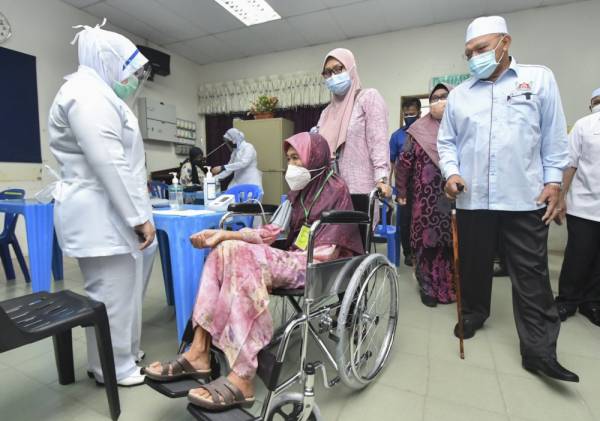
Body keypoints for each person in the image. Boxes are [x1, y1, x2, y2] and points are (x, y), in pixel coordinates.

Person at [144, 132, 363, 411]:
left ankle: (244, 376)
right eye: (289, 159)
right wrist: (224, 235)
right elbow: (272, 231)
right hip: (294, 257)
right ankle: (199, 350)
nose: (291, 166)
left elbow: (328, 249)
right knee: (223, 251)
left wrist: (264, 250)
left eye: (297, 158)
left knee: (244, 256)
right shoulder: (298, 194)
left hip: (319, 263)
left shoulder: (336, 190)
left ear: (316, 159)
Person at [438, 16, 578, 382]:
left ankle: (539, 351)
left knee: (531, 276)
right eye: (468, 53)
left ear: (505, 43)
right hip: (473, 201)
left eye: (481, 49)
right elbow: (447, 142)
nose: (474, 57)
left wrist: (554, 183)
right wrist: (450, 172)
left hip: (524, 199)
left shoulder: (539, 79)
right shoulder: (460, 95)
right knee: (472, 265)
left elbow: (554, 137)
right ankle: (472, 313)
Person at [48, 20, 157, 386]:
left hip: (107, 212)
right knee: (110, 295)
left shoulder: (100, 94)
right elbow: (108, 160)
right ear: (107, 61)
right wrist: (139, 216)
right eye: (127, 69)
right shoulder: (86, 94)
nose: (131, 79)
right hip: (100, 214)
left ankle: (122, 356)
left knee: (120, 293)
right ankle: (113, 368)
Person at [396, 84, 455, 307]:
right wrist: (401, 191)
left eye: (444, 96)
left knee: (449, 245)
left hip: (453, 199)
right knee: (426, 244)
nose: (439, 101)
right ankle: (428, 287)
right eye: (435, 98)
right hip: (425, 200)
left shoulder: (461, 126)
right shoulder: (418, 130)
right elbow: (403, 163)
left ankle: (449, 286)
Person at [316, 48, 392, 198]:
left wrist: (382, 179)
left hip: (361, 188)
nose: (332, 76)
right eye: (327, 72)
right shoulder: (326, 113)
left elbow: (378, 141)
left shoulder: (368, 98)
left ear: (351, 68)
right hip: (330, 191)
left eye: (338, 69)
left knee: (358, 221)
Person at [554, 87, 600, 326]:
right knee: (577, 257)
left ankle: (591, 302)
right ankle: (567, 300)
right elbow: (569, 165)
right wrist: (560, 197)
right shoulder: (584, 126)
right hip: (583, 206)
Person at [390, 97, 422, 266]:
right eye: (406, 113)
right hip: (404, 187)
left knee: (422, 219)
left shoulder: (425, 132)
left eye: (413, 113)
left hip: (424, 185)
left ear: (420, 113)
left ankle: (422, 252)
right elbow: (392, 162)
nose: (409, 116)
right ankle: (408, 253)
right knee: (404, 220)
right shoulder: (397, 136)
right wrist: (389, 186)